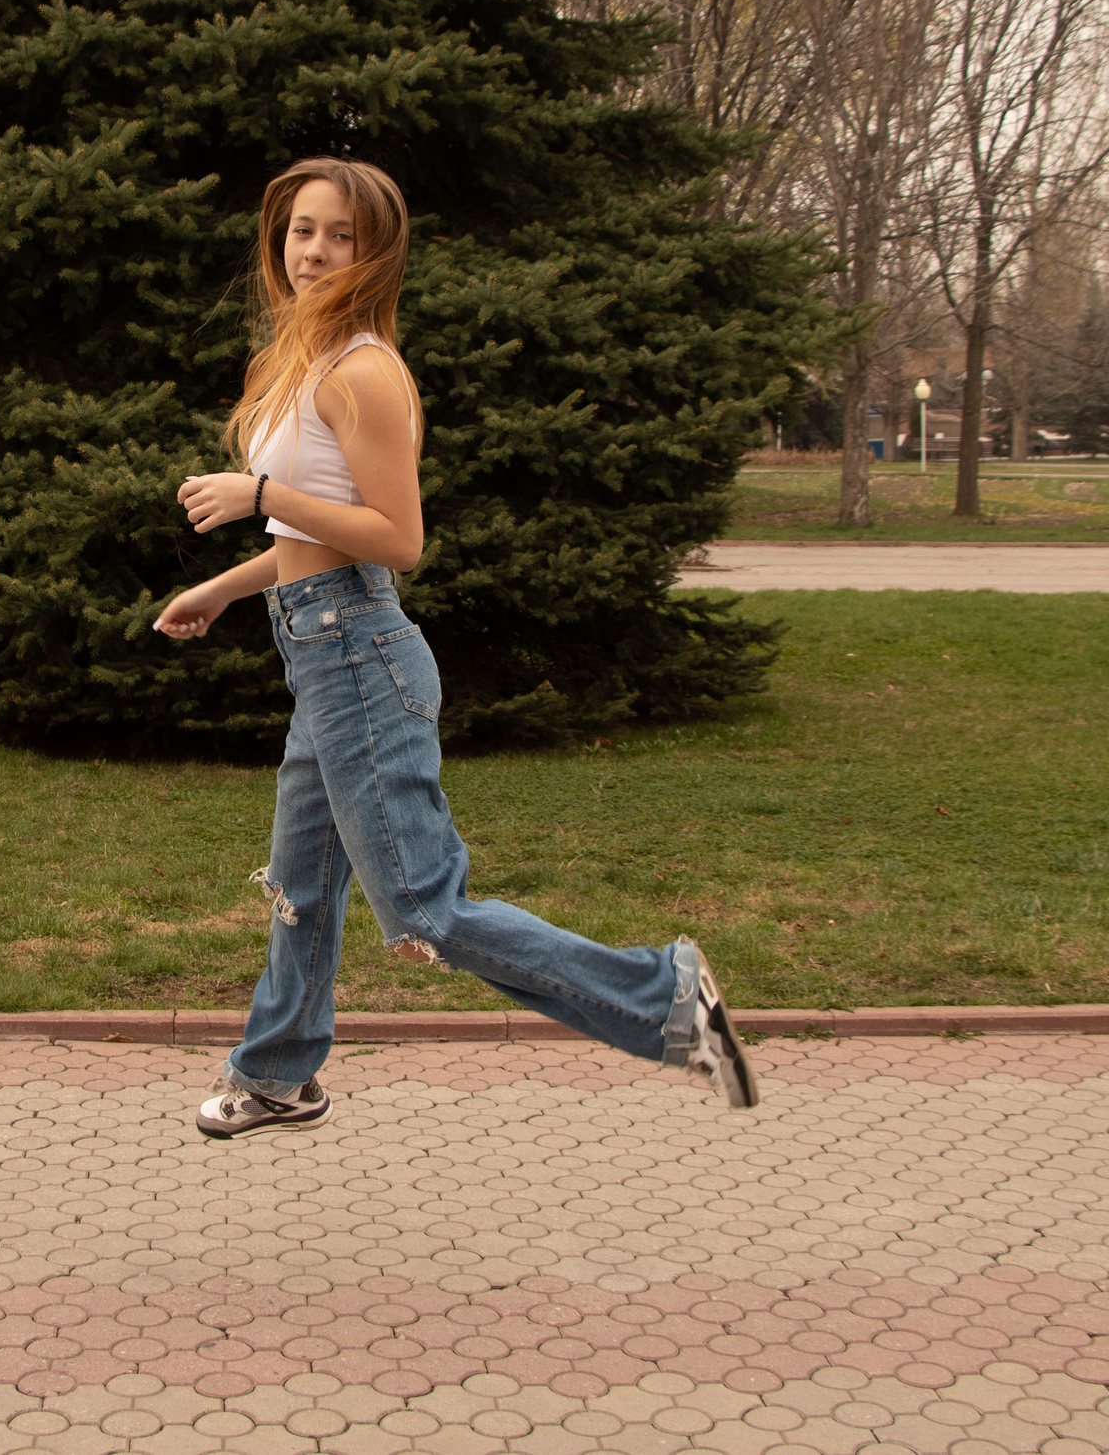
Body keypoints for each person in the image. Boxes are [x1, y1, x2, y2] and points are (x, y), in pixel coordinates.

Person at [154, 157, 760, 1138]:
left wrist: (256, 495)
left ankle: (665, 998)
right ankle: (275, 1074)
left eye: (339, 235)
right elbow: (317, 540)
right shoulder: (307, 360)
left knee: (426, 911)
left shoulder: (363, 373)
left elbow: (396, 537)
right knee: (303, 886)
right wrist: (224, 589)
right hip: (322, 655)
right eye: (301, 229)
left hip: (358, 658)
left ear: (375, 250)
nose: (313, 249)